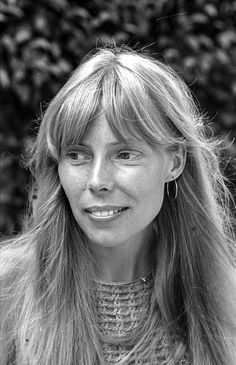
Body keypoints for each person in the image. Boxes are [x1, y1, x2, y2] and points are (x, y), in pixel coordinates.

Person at [1, 45, 236, 365]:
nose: (97, 180)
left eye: (124, 154)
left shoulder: (224, 299)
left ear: (175, 162)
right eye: (77, 155)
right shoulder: (8, 290)